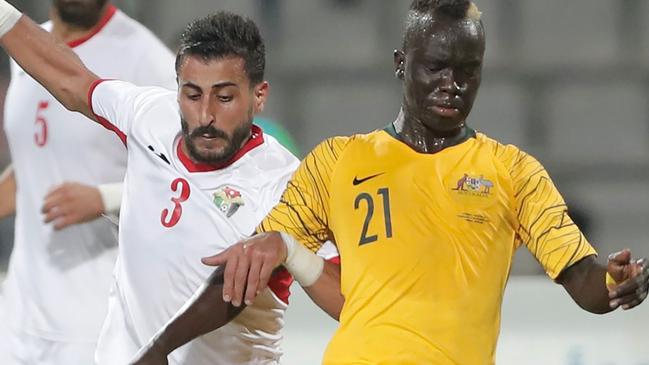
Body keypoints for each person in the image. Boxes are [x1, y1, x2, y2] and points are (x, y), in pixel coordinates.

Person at [129, 0, 649, 364]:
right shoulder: (336, 161)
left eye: (468, 70)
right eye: (437, 67)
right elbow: (249, 270)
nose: (453, 84)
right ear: (402, 64)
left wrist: (613, 282)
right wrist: (158, 348)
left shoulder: (513, 173)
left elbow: (582, 278)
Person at [0, 4, 341, 364]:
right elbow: (71, 80)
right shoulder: (151, 116)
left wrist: (290, 249)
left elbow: (351, 302)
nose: (206, 115)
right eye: (192, 95)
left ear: (259, 95)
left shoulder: (286, 184)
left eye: (224, 97)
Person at [0, 1, 175, 364]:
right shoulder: (29, 48)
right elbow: (36, 159)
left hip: (94, 324)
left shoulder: (147, 62)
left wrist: (104, 197)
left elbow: (187, 183)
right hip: (17, 318)